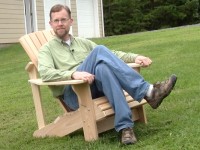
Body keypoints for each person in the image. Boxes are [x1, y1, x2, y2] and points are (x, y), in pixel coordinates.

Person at [38, 4, 177, 145]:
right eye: (56, 21)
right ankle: (148, 92)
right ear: (50, 23)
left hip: (94, 86)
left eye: (63, 19)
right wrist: (73, 74)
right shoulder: (46, 50)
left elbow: (110, 55)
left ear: (71, 21)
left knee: (103, 68)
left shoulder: (82, 43)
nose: (60, 24)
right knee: (99, 51)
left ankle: (126, 129)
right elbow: (45, 73)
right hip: (74, 94)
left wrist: (134, 57)